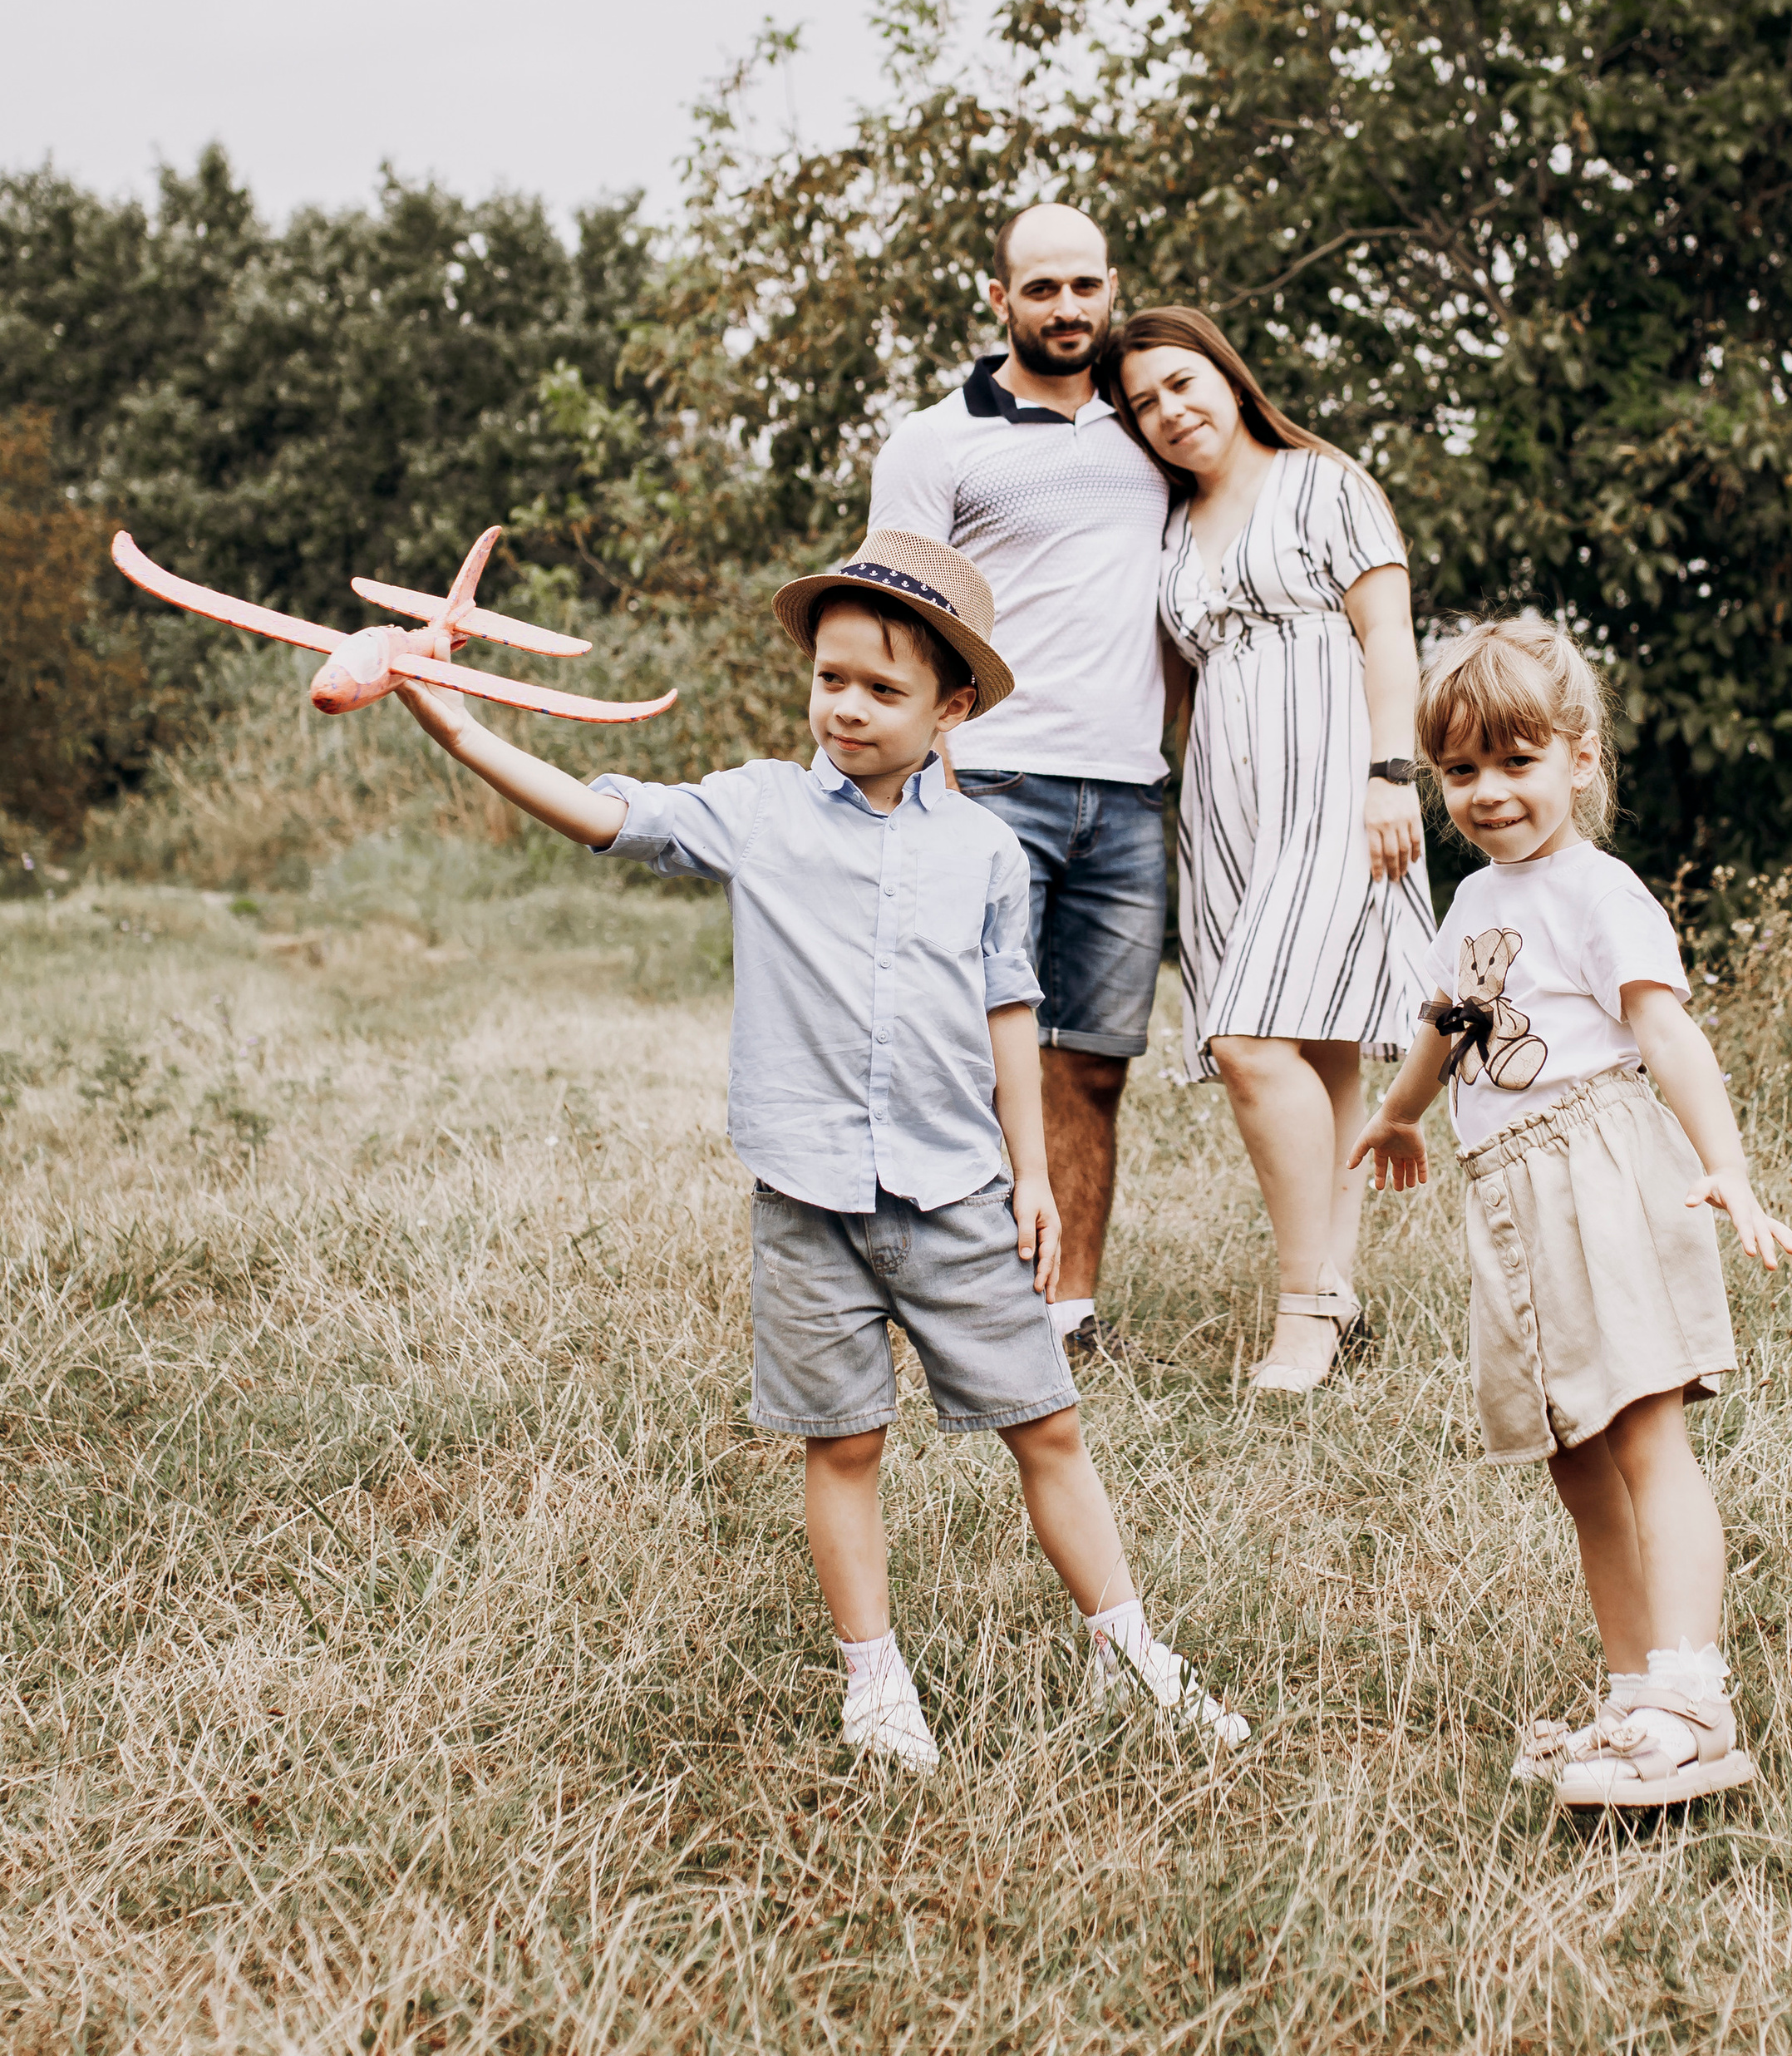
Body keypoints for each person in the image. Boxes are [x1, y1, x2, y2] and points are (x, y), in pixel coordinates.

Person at [391, 528, 1247, 1774]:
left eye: (882, 689)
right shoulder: (759, 811)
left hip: (957, 1193)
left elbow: (1012, 1013)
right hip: (809, 1198)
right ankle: (874, 1683)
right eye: (829, 677)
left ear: (952, 708)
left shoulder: (986, 852)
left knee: (1048, 1427)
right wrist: (462, 730)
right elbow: (608, 815)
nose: (845, 706)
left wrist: (1033, 1173)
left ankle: (1131, 1654)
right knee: (843, 1443)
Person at [1348, 613, 1792, 1809]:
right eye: (1461, 770)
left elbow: (1666, 1032)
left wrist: (1729, 1167)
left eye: (1517, 760)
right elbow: (1450, 1024)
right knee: (1577, 1459)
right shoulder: (1472, 901)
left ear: (1580, 757)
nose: (1489, 792)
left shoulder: (1602, 893)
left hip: (1601, 1175)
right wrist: (1398, 1115)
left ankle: (1693, 1699)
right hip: (1512, 1194)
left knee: (1647, 1438)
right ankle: (1632, 1692)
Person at [869, 204, 1172, 1365]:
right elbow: (896, 613)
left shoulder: (1151, 427)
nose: (1067, 307)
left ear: (1112, 287)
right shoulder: (936, 439)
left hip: (1130, 795)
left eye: (1085, 285)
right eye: (1041, 288)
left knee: (1090, 1063)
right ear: (999, 298)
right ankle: (946, 1300)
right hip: (991, 779)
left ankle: (1065, 1314)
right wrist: (929, 776)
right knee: (963, 1055)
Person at [1112, 307, 1434, 1394]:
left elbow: (1388, 633)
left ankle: (1303, 1308)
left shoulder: (1324, 483)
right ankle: (1339, 1292)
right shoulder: (1172, 525)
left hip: (1336, 785)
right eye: (1144, 404)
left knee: (1249, 1041)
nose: (1169, 412)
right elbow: (1175, 682)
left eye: (1182, 383)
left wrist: (1393, 772)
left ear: (1228, 375)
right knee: (1316, 1044)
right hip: (1226, 801)